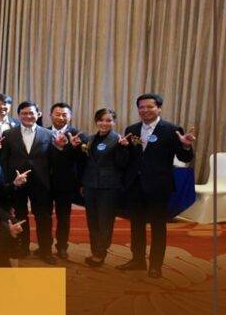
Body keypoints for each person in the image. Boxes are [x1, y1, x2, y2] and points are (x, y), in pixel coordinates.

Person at [119, 93, 196, 277]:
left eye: (149, 107)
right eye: (141, 107)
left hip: (158, 187)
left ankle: (155, 265)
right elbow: (130, 159)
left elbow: (185, 158)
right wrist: (123, 148)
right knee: (136, 225)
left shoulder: (171, 130)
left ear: (159, 108)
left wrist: (185, 145)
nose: (145, 110)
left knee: (158, 227)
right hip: (135, 186)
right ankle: (137, 260)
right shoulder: (132, 129)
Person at [0, 101, 59, 263]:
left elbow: (53, 161)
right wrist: (9, 182)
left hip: (41, 182)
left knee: (43, 217)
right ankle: (23, 247)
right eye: (24, 113)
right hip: (18, 182)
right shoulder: (8, 134)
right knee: (20, 215)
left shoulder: (48, 134)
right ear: (18, 115)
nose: (28, 116)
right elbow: (4, 160)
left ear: (38, 114)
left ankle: (45, 250)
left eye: (31, 113)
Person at [77, 108, 130, 267]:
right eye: (101, 120)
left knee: (105, 221)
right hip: (90, 185)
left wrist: (123, 148)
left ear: (114, 122)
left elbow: (122, 164)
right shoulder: (90, 139)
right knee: (92, 220)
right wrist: (83, 183)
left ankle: (100, 252)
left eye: (108, 120)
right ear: (96, 121)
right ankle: (95, 250)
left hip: (109, 187)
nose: (104, 123)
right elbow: (85, 163)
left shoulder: (118, 140)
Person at [47, 102, 84, 260]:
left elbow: (82, 161)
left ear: (70, 116)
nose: (61, 117)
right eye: (57, 114)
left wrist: (74, 147)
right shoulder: (43, 132)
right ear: (51, 115)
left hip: (66, 184)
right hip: (45, 182)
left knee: (63, 217)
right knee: (44, 216)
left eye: (64, 115)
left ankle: (62, 246)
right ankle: (45, 246)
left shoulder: (78, 135)